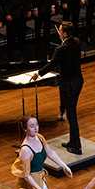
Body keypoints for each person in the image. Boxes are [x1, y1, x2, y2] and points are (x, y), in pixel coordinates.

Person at [35, 22, 83, 150]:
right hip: (78, 82)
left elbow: (51, 65)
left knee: (72, 115)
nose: (59, 32)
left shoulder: (61, 49)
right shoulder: (76, 42)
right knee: (71, 112)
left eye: (61, 31)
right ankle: (72, 141)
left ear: (65, 33)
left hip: (68, 85)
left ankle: (77, 145)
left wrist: (38, 74)